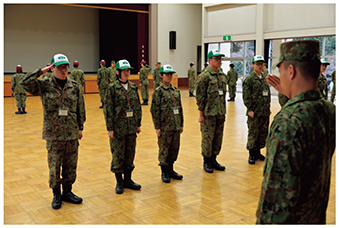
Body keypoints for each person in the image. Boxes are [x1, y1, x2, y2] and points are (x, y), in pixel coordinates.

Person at [257, 40, 335, 224]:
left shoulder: (288, 122)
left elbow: (275, 203)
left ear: (291, 71)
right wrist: (290, 92)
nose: (280, 75)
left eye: (281, 70)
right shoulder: (329, 110)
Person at [20, 53, 86, 210]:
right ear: (52, 68)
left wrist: (80, 127)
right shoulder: (44, 84)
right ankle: (56, 194)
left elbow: (80, 108)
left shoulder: (74, 86)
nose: (64, 71)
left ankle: (68, 192)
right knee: (54, 166)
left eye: (66, 67)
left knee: (71, 165)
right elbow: (25, 83)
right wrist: (41, 71)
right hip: (53, 134)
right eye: (60, 67)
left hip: (71, 132)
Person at [104, 59, 142, 194]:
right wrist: (110, 128)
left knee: (130, 154)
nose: (127, 73)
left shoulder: (132, 87)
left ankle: (128, 180)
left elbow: (137, 106)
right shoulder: (112, 88)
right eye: (124, 71)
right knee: (118, 155)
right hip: (118, 128)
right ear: (117, 72)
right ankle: (119, 181)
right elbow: (108, 109)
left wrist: (138, 124)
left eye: (128, 70)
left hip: (131, 127)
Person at [150, 64, 184, 183]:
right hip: (164, 127)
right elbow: (154, 110)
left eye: (171, 74)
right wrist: (157, 127)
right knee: (164, 149)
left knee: (174, 149)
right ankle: (164, 171)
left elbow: (180, 108)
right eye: (167, 74)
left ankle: (171, 169)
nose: (169, 76)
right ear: (161, 75)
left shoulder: (176, 91)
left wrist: (181, 124)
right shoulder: (158, 92)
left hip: (175, 125)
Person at [196, 49, 227, 173]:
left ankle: (214, 159)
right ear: (209, 60)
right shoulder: (204, 76)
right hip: (209, 113)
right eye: (216, 58)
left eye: (220, 58)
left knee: (218, 138)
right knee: (208, 138)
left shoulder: (222, 75)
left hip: (220, 112)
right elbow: (200, 97)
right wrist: (200, 114)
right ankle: (206, 161)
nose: (219, 61)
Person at [242, 55, 270, 165]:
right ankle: (251, 154)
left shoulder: (264, 78)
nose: (259, 65)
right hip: (254, 111)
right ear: (253, 65)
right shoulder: (249, 79)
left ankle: (258, 152)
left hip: (264, 111)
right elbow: (246, 95)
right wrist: (249, 109)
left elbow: (266, 94)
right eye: (257, 63)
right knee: (253, 132)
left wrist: (268, 107)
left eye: (261, 63)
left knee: (262, 133)